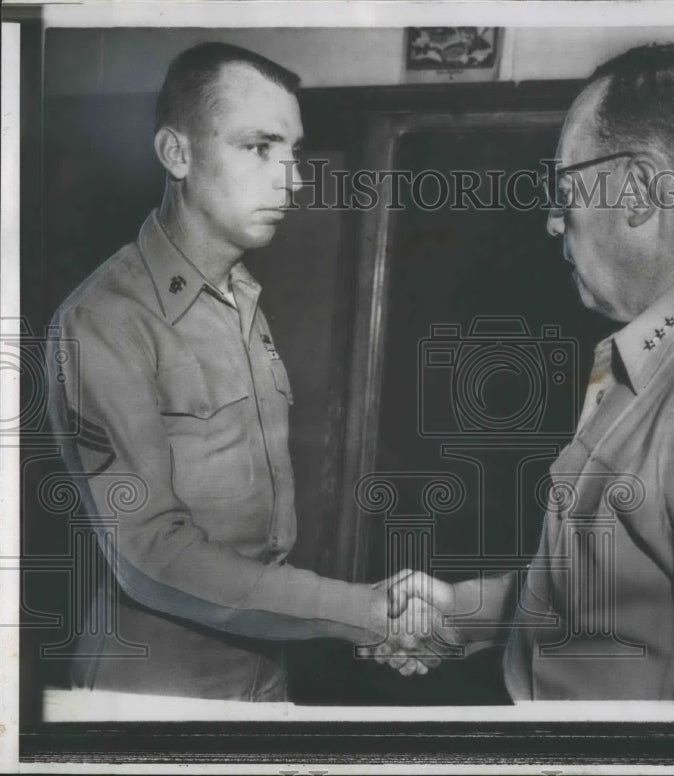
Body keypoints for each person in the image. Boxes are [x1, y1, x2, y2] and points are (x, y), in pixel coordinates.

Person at [384, 42, 674, 702]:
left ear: (639, 191)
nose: (552, 222)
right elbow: (622, 589)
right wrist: (460, 611)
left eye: (565, 192)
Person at [45, 42, 442, 701]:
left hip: (264, 675)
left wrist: (359, 618)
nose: (293, 181)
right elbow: (153, 555)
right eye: (259, 147)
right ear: (176, 154)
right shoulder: (105, 319)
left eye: (293, 151)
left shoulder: (242, 299)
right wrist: (362, 612)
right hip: (156, 695)